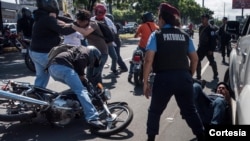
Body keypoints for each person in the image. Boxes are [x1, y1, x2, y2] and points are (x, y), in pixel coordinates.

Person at [143, 3, 205, 141]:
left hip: (163, 79)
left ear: (162, 18)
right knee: (190, 111)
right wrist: (189, 75)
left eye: (158, 17)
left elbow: (148, 60)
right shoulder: (184, 35)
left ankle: (151, 139)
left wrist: (145, 82)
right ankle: (201, 136)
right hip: (183, 78)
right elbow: (195, 59)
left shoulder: (156, 35)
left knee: (155, 111)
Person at [47, 45, 105, 128]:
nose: (92, 64)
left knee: (76, 87)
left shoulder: (77, 50)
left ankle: (70, 104)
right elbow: (80, 62)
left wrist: (82, 77)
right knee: (81, 90)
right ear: (94, 54)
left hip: (52, 69)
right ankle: (92, 118)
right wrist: (82, 75)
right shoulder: (86, 51)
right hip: (63, 67)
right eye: (95, 60)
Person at [29, 0, 75, 88]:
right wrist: (77, 26)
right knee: (66, 72)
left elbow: (61, 19)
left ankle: (37, 97)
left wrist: (75, 22)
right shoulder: (47, 19)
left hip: (35, 52)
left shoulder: (41, 16)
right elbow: (64, 30)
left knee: (41, 77)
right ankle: (81, 91)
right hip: (44, 53)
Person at [69, 9, 109, 86]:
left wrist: (71, 25)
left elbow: (85, 32)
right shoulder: (82, 25)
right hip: (91, 54)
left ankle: (100, 94)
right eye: (78, 21)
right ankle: (90, 92)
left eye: (80, 22)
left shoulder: (93, 24)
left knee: (96, 75)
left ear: (86, 21)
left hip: (102, 53)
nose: (79, 23)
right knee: (89, 76)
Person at [128, 12, 159, 82]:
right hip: (151, 49)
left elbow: (135, 36)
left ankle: (130, 74)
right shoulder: (156, 27)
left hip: (141, 47)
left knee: (134, 58)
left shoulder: (141, 26)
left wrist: (140, 35)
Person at [91, 3, 120, 75]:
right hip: (97, 43)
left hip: (108, 42)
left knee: (115, 57)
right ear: (95, 12)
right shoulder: (91, 20)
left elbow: (114, 30)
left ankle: (113, 69)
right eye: (98, 12)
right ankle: (97, 74)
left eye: (101, 12)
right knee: (101, 59)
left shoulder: (107, 20)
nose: (99, 13)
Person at [196, 14, 218, 80]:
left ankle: (215, 74)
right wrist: (199, 44)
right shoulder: (200, 28)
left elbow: (213, 40)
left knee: (212, 62)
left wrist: (211, 49)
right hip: (201, 48)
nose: (202, 20)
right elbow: (200, 37)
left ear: (207, 20)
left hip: (208, 49)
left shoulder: (211, 29)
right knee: (197, 60)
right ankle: (198, 76)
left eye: (204, 19)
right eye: (202, 18)